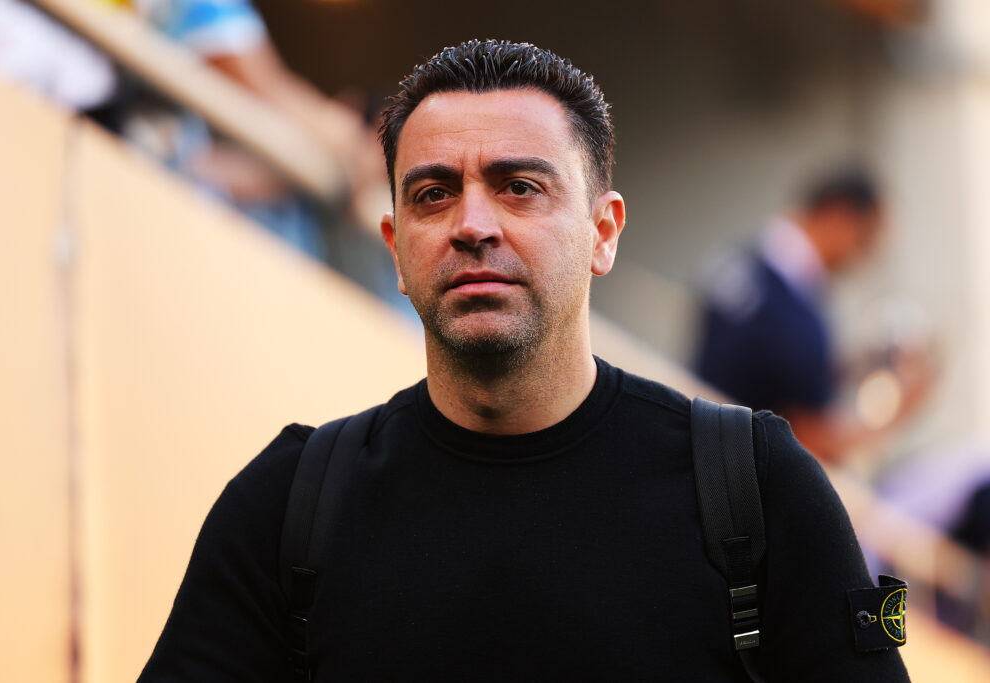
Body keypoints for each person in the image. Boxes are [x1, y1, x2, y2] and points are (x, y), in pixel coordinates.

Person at [139, 39, 910, 681]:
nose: (473, 223)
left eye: (519, 187)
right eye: (433, 194)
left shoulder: (754, 488)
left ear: (603, 232)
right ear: (396, 249)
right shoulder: (288, 503)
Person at [693, 170, 932, 462]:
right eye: (866, 238)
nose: (864, 259)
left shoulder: (742, 262)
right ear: (838, 215)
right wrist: (902, 409)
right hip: (735, 474)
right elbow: (808, 442)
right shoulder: (793, 311)